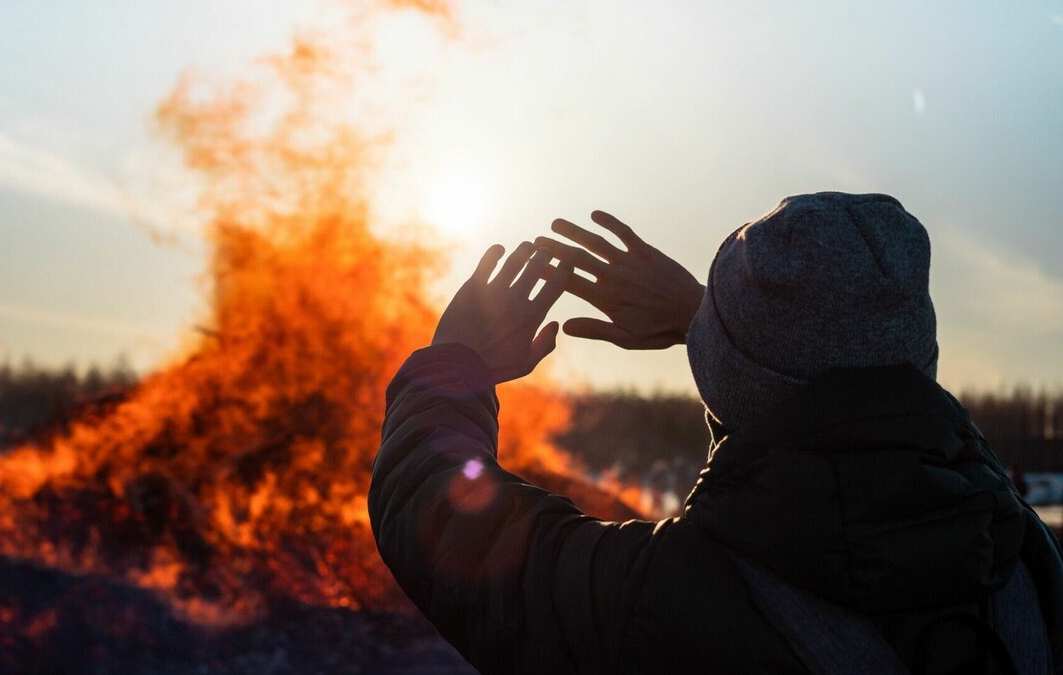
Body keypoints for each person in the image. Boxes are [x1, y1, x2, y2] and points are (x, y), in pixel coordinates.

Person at [368, 192, 1063, 673]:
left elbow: (435, 515)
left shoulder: (665, 601)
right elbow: (902, 415)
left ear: (733, 384)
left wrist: (451, 366)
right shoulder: (1028, 564)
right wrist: (710, 327)